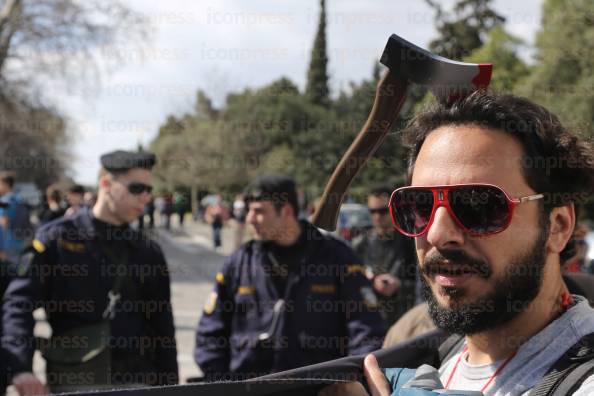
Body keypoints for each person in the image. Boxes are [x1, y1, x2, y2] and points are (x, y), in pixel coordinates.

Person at [323, 91, 594, 395]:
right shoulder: (426, 359)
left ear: (558, 226)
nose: (438, 234)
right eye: (420, 205)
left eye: (477, 205)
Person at [2, 150, 178, 394]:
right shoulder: (58, 239)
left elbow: (162, 326)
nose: (145, 197)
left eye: (149, 190)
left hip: (137, 381)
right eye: (137, 188)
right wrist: (20, 366)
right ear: (106, 183)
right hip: (76, 381)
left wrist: (170, 386)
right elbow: (19, 302)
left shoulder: (147, 251)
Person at [194, 174, 385, 381]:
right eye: (249, 210)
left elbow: (366, 331)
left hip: (317, 390)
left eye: (259, 211)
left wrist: (349, 383)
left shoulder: (337, 258)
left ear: (286, 211)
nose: (249, 219)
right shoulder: (239, 263)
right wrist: (222, 384)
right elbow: (210, 334)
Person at [352, 185, 418, 328]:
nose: (377, 216)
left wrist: (399, 285)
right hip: (371, 322)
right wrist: (370, 281)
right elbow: (350, 284)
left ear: (393, 209)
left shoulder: (411, 242)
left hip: (404, 322)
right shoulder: (359, 245)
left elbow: (425, 286)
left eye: (382, 211)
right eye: (372, 211)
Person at [0, 171, 30, 263]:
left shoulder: (5, 200)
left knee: (6, 273)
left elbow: (4, 224)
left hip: (6, 245)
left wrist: (1, 249)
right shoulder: (19, 199)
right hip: (20, 242)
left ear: (5, 184)